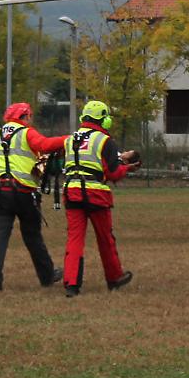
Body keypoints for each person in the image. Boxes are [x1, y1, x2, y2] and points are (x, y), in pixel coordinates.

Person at [0, 102, 67, 291]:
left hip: (1, 190)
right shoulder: (26, 132)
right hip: (24, 191)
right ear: (24, 116)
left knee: (0, 236)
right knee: (32, 235)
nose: (31, 120)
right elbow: (44, 145)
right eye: (30, 116)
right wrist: (68, 139)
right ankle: (47, 275)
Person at [61, 100, 139, 297]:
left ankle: (71, 284)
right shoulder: (105, 141)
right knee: (105, 238)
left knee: (75, 239)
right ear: (102, 119)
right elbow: (112, 173)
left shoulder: (70, 139)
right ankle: (114, 278)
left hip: (72, 192)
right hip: (96, 194)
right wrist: (127, 169)